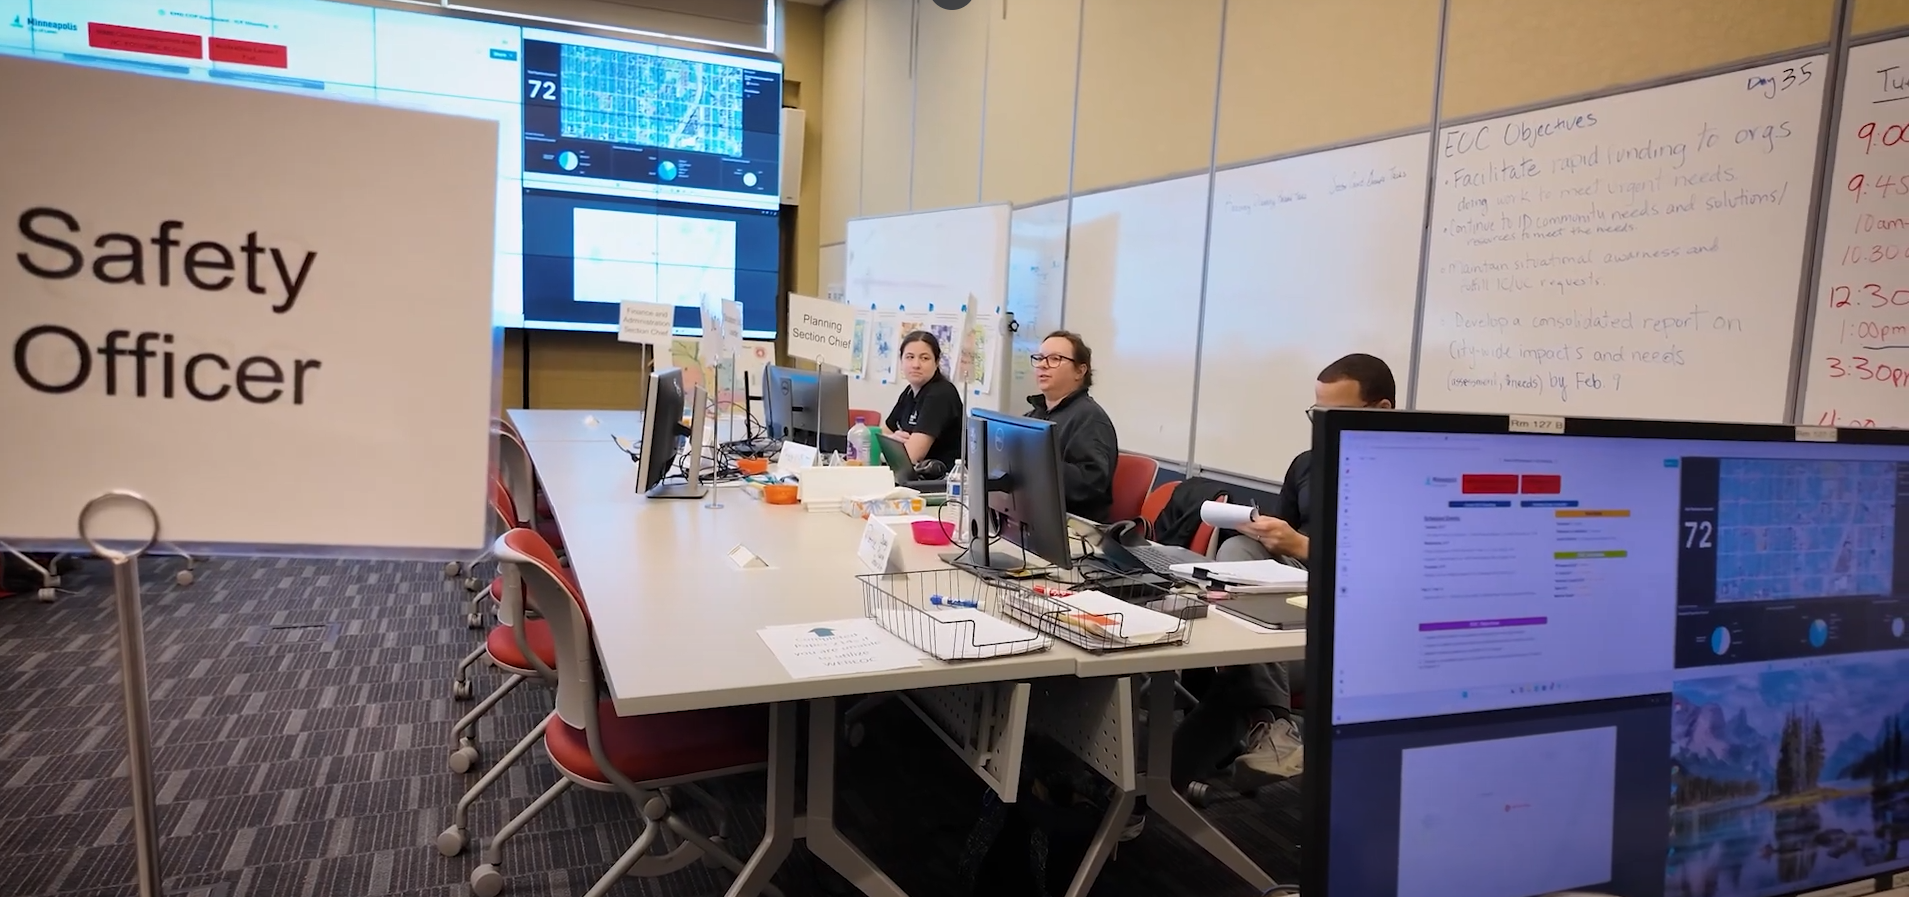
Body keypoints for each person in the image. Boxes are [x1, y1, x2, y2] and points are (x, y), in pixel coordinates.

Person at [1175, 353, 1397, 792]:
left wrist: (1304, 547)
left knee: (1242, 675)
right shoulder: (1308, 463)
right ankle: (1273, 728)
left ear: (1382, 411)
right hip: (1287, 609)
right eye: (1317, 412)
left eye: (1335, 413)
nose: (1322, 424)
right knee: (1239, 546)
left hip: (1356, 632)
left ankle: (1139, 798)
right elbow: (1281, 543)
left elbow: (1392, 574)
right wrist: (1266, 533)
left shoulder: (1408, 474)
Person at [1025, 330, 1119, 522]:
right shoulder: (1034, 415)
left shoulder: (1090, 419)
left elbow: (1090, 484)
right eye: (1040, 358)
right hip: (1032, 517)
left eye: (1054, 359)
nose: (1043, 365)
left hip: (1072, 529)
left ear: (1080, 371)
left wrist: (1034, 465)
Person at [884, 330, 964, 470]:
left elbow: (911, 456)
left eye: (924, 358)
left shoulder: (940, 394)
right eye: (909, 357)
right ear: (901, 360)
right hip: (915, 477)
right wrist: (893, 440)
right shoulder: (910, 391)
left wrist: (891, 445)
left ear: (937, 362)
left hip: (942, 482)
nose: (916, 364)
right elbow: (884, 432)